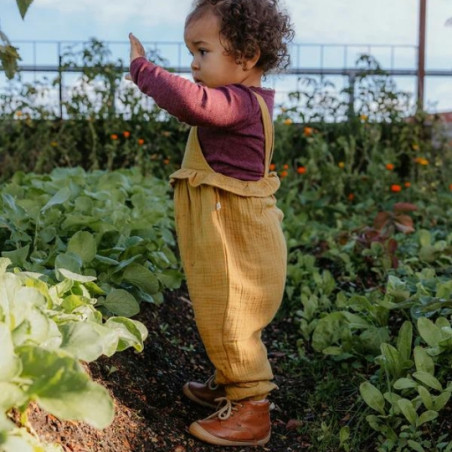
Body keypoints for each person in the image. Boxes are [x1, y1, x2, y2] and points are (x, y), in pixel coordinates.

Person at [128, 0, 293, 446]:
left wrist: (144, 70)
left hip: (232, 238)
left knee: (230, 316)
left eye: (202, 51)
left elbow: (189, 102)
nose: (193, 64)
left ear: (247, 56)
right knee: (222, 309)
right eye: (191, 53)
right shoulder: (245, 100)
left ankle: (252, 406)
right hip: (228, 230)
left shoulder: (237, 103)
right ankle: (228, 381)